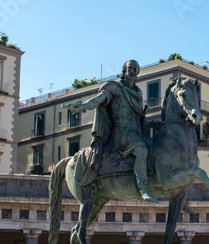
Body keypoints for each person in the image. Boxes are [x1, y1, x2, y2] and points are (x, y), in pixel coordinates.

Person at [63, 59, 158, 202]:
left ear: (137, 73)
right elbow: (99, 99)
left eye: (134, 69)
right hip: (121, 134)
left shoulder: (138, 94)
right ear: (124, 71)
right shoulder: (115, 87)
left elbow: (139, 119)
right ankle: (143, 188)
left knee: (155, 149)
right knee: (141, 150)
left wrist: (154, 123)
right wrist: (84, 106)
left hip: (136, 133)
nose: (132, 71)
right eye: (129, 68)